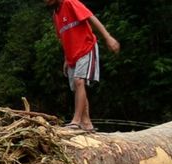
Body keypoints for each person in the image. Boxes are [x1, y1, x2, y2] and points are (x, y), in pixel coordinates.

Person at [46, 0, 120, 132]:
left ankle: (76, 121)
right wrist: (65, 59)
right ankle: (87, 123)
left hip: (86, 48)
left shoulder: (70, 3)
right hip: (72, 56)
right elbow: (63, 37)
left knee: (79, 81)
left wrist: (108, 37)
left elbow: (91, 17)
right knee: (76, 87)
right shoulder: (55, 16)